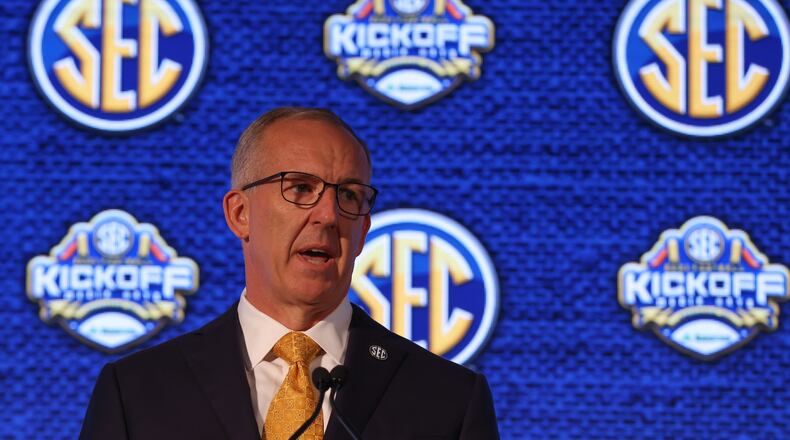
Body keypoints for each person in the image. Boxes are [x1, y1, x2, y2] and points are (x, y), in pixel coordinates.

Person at [80, 107, 500, 439]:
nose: (328, 215)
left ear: (363, 230)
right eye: (300, 188)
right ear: (240, 214)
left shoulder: (447, 402)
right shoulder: (137, 393)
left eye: (349, 196)